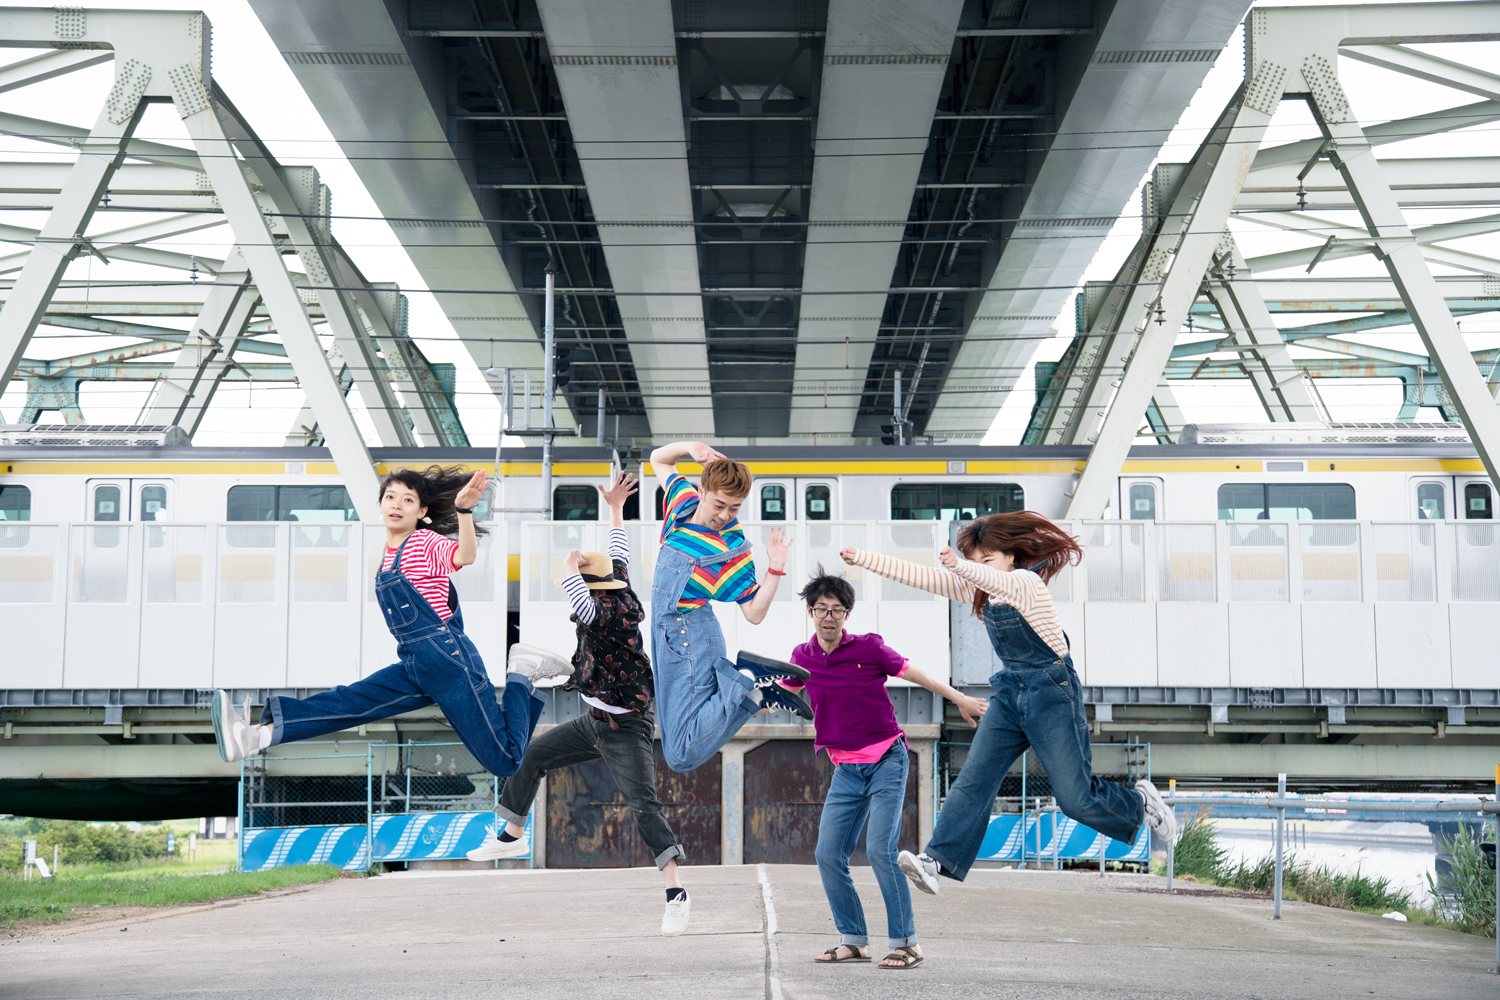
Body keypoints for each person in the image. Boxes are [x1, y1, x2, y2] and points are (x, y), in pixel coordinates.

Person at [838, 511, 1176, 895]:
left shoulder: (1026, 582)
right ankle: (935, 861)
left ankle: (1137, 802)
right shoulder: (980, 588)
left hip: (1052, 692)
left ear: (1010, 557)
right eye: (977, 560)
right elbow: (924, 577)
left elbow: (991, 578)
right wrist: (863, 558)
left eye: (989, 558)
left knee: (1074, 799)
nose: (981, 568)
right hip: (1011, 693)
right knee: (973, 780)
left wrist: (964, 566)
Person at [210, 466, 569, 777]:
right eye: (390, 497)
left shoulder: (423, 542)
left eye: (407, 500)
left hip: (447, 662)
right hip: (415, 662)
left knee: (506, 760)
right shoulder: (388, 557)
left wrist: (463, 511)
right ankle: (255, 737)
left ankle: (521, 672)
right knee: (350, 703)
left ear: (422, 512)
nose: (396, 504)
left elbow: (466, 555)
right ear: (381, 505)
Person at [466, 471, 693, 936]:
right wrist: (614, 509)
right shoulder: (619, 586)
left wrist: (570, 567)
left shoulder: (604, 612)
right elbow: (621, 551)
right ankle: (510, 834)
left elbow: (577, 594)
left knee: (643, 804)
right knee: (533, 755)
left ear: (590, 591)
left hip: (624, 728)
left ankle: (676, 892)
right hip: (595, 717)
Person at [786, 568, 988, 971]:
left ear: (847, 615)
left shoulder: (869, 648)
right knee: (828, 854)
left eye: (837, 610)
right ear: (810, 612)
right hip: (845, 768)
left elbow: (915, 673)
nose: (829, 616)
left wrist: (958, 698)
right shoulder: (802, 658)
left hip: (886, 760)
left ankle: (906, 943)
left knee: (881, 849)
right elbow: (778, 694)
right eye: (821, 609)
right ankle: (854, 940)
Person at [648, 441, 812, 773]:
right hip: (668, 636)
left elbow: (753, 612)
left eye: (735, 509)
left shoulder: (730, 549)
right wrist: (691, 447)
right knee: (674, 740)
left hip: (689, 640)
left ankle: (749, 682)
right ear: (702, 491)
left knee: (680, 755)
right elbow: (658, 460)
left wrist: (776, 569)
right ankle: (754, 695)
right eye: (720, 505)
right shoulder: (682, 504)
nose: (724, 516)